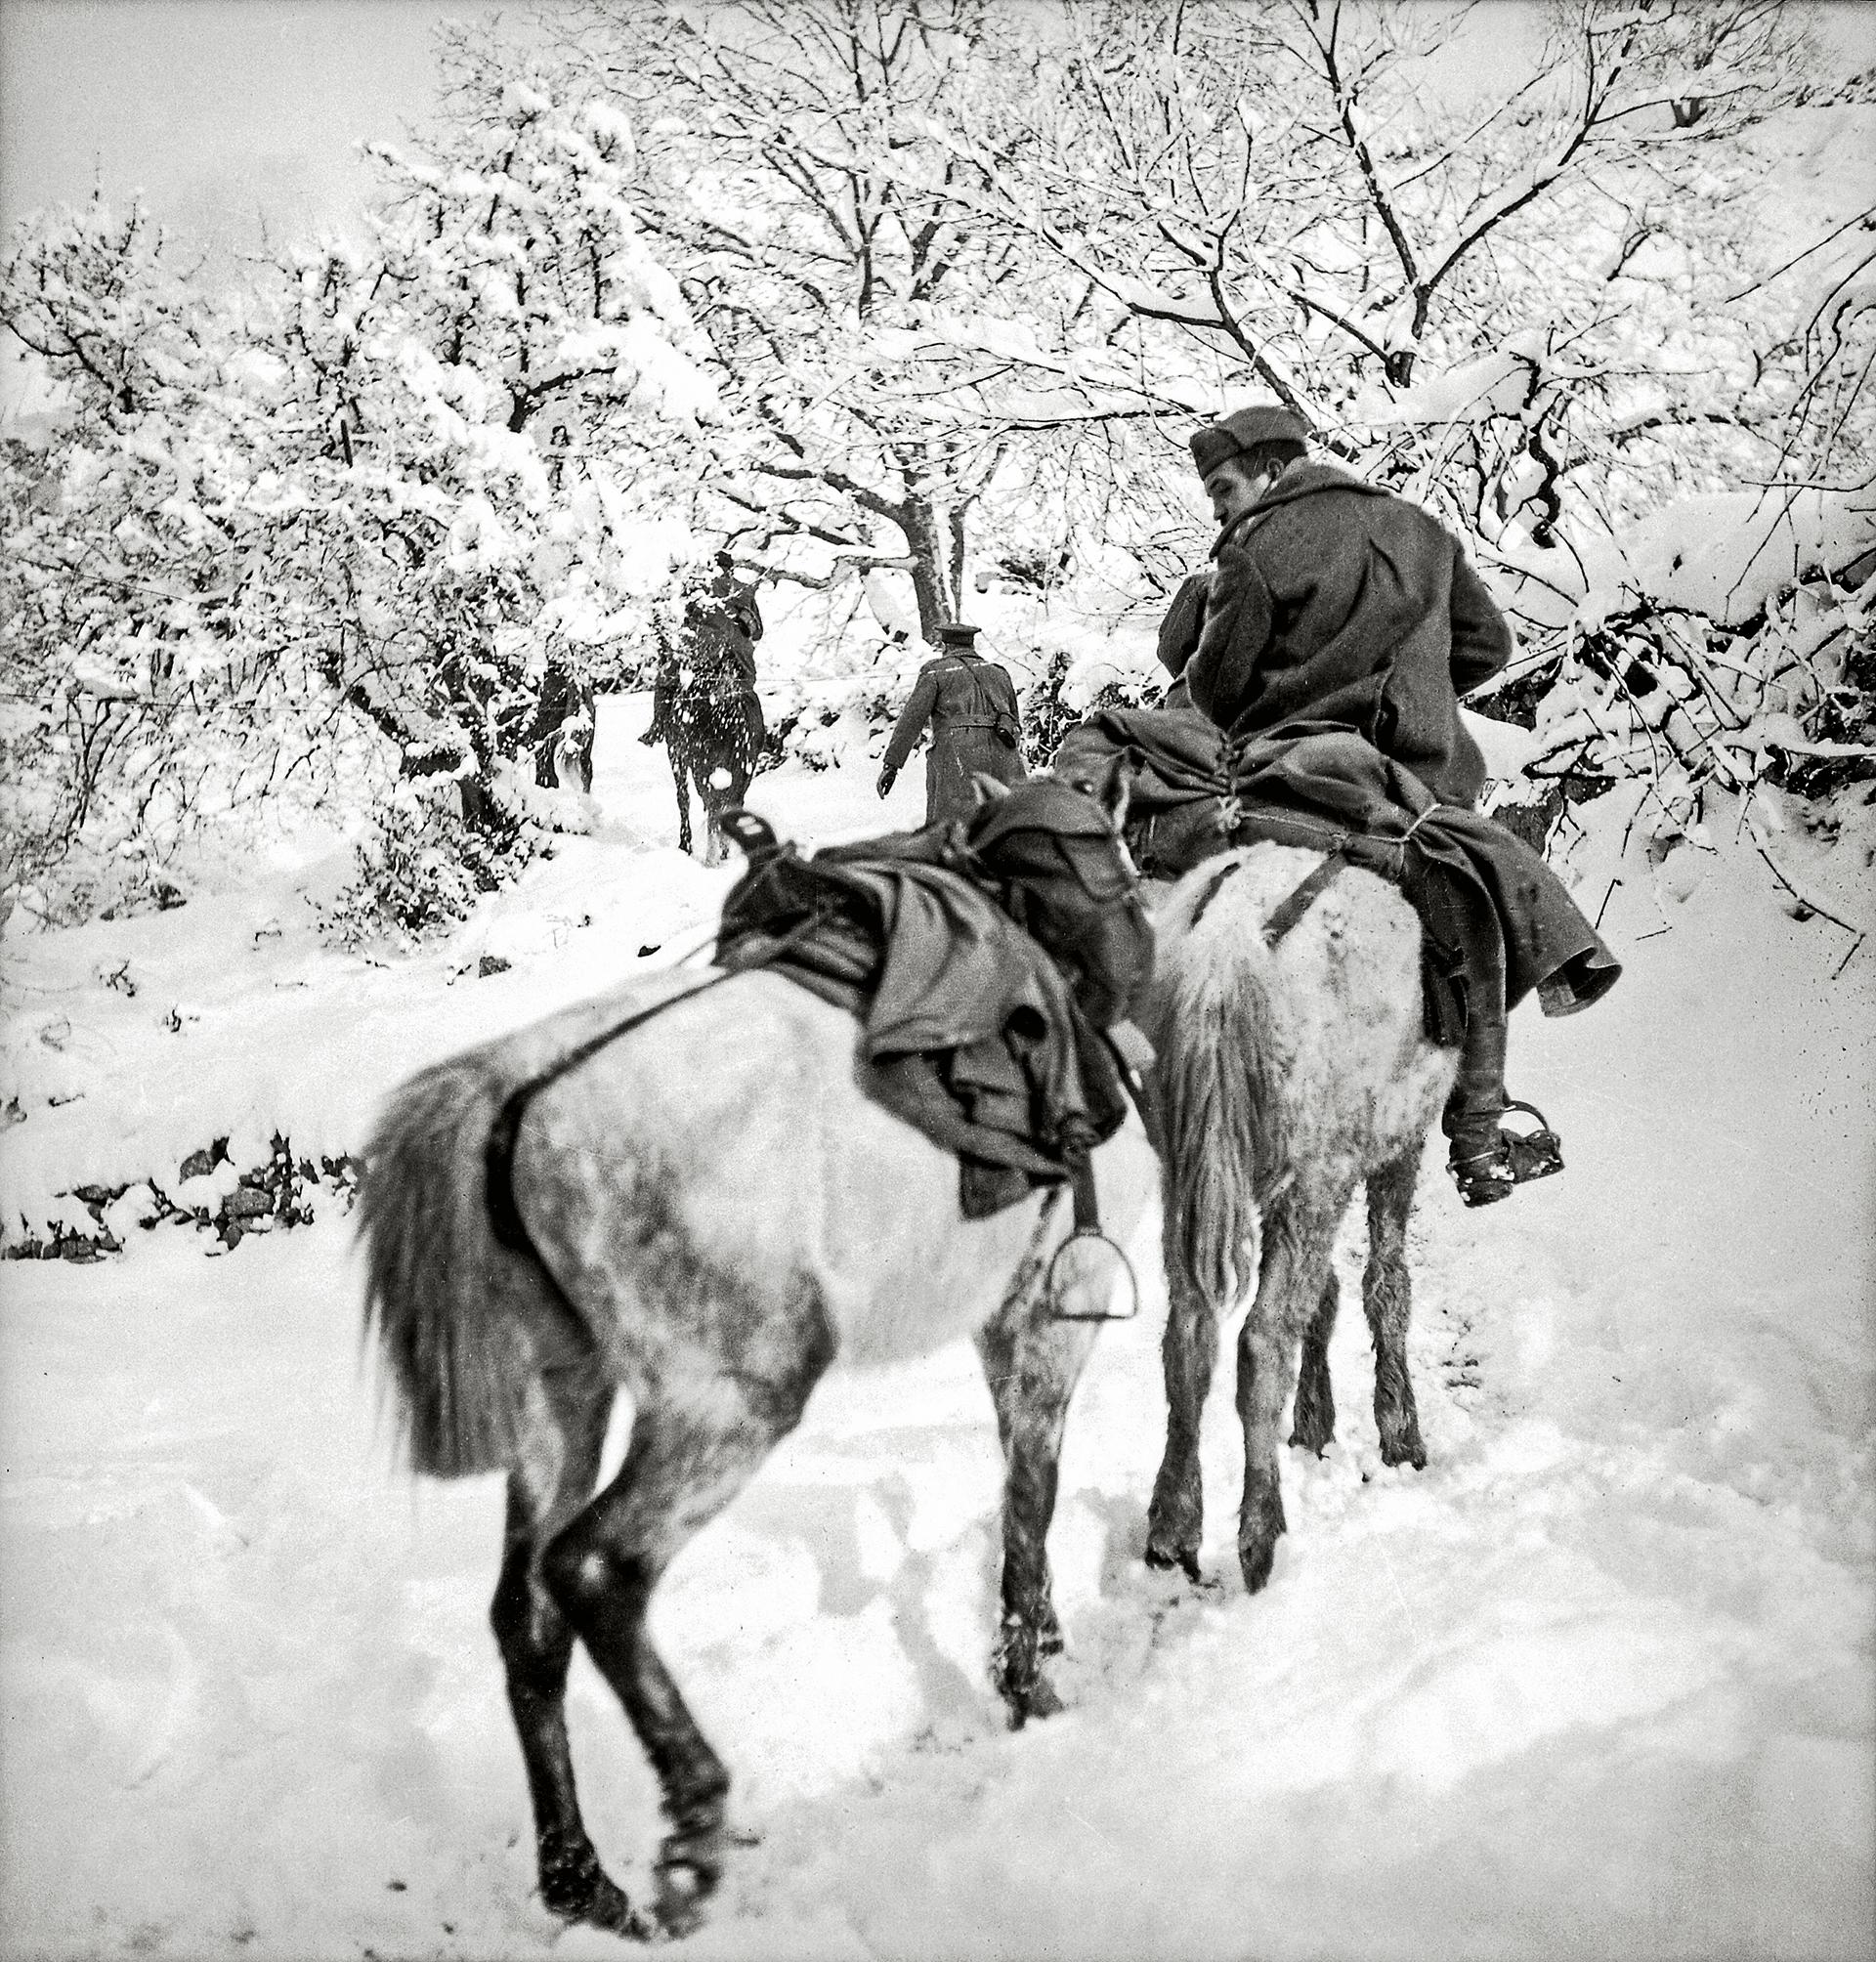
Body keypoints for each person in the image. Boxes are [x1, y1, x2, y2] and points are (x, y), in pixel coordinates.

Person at [1165, 404, 1596, 1205]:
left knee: (1179, 871)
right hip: (1417, 787)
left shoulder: (1253, 547)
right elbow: (1488, 647)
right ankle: (1478, 1133)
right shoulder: (1423, 531)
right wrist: (1414, 696)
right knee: (1475, 912)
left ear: (1269, 471)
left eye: (1223, 487)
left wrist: (1288, 688)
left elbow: (1218, 689)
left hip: (1294, 778)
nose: (1218, 506)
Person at [876, 620, 1029, 825]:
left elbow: (912, 719)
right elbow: (1014, 722)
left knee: (951, 825)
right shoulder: (999, 673)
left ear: (945, 646)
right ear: (971, 645)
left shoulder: (936, 671)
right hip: (1003, 755)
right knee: (1005, 823)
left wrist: (892, 765)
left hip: (959, 752)